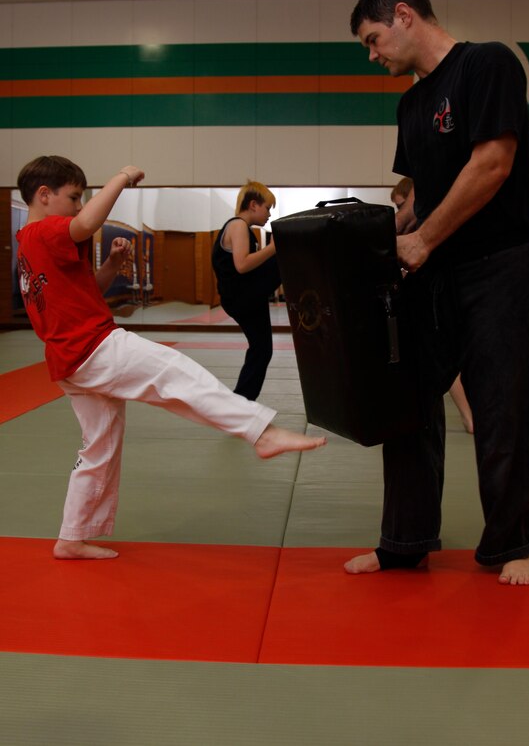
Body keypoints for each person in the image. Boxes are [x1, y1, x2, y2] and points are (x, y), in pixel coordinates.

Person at [16, 156, 326, 560]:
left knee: (100, 447)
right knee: (173, 370)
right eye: (74, 196)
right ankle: (260, 432)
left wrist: (111, 264)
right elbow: (86, 223)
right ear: (44, 195)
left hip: (69, 360)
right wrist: (122, 178)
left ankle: (72, 536)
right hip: (91, 347)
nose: (78, 205)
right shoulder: (42, 232)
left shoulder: (29, 245)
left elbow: (84, 289)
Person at [345, 0, 529, 585]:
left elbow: (493, 163)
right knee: (407, 405)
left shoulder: (486, 65)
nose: (372, 55)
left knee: (503, 408)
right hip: (436, 276)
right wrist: (373, 241)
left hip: (501, 269)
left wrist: (423, 239)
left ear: (403, 15)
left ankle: (516, 544)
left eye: (373, 40)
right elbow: (419, 201)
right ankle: (404, 542)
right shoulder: (411, 104)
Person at [391, 177, 474, 433]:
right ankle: (469, 416)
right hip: (423, 293)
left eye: (402, 205)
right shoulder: (408, 229)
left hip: (447, 290)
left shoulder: (432, 227)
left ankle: (470, 416)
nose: (400, 212)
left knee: (447, 362)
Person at [212, 180, 281, 400]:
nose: (269, 214)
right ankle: (241, 401)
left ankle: (242, 400)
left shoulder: (244, 229)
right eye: (267, 208)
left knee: (262, 349)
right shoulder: (238, 226)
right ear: (253, 205)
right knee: (282, 257)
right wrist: (272, 249)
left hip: (245, 296)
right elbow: (242, 265)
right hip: (242, 296)